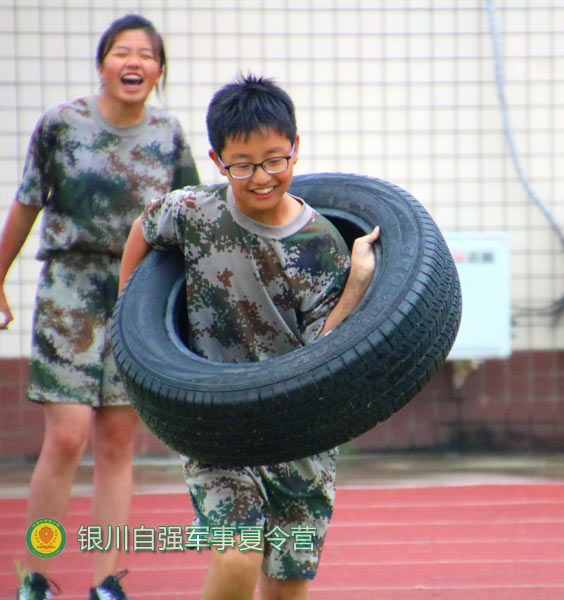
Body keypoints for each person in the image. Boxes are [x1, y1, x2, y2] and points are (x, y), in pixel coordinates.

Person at [117, 74, 379, 600]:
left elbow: (322, 351)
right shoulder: (194, 212)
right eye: (242, 165)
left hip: (299, 436)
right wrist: (131, 323)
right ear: (218, 161)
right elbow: (143, 230)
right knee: (237, 557)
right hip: (218, 427)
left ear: (296, 151)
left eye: (274, 160)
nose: (261, 177)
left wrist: (355, 284)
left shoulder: (319, 243)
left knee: (286, 586)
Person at [1, 14, 199, 600]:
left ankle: (106, 580)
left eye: (146, 55)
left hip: (137, 295)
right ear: (102, 63)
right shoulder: (61, 125)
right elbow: (26, 205)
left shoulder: (168, 135)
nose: (133, 62)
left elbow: (192, 217)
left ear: (159, 71)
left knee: (116, 444)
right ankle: (35, 573)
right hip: (69, 291)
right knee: (65, 438)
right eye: (121, 52)